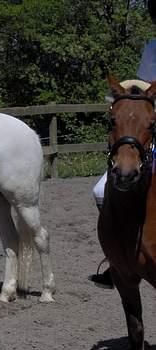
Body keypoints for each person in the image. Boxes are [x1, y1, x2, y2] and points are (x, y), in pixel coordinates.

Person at [89, 1, 156, 288]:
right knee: (100, 190)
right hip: (149, 129)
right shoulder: (151, 46)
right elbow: (143, 88)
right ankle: (118, 257)